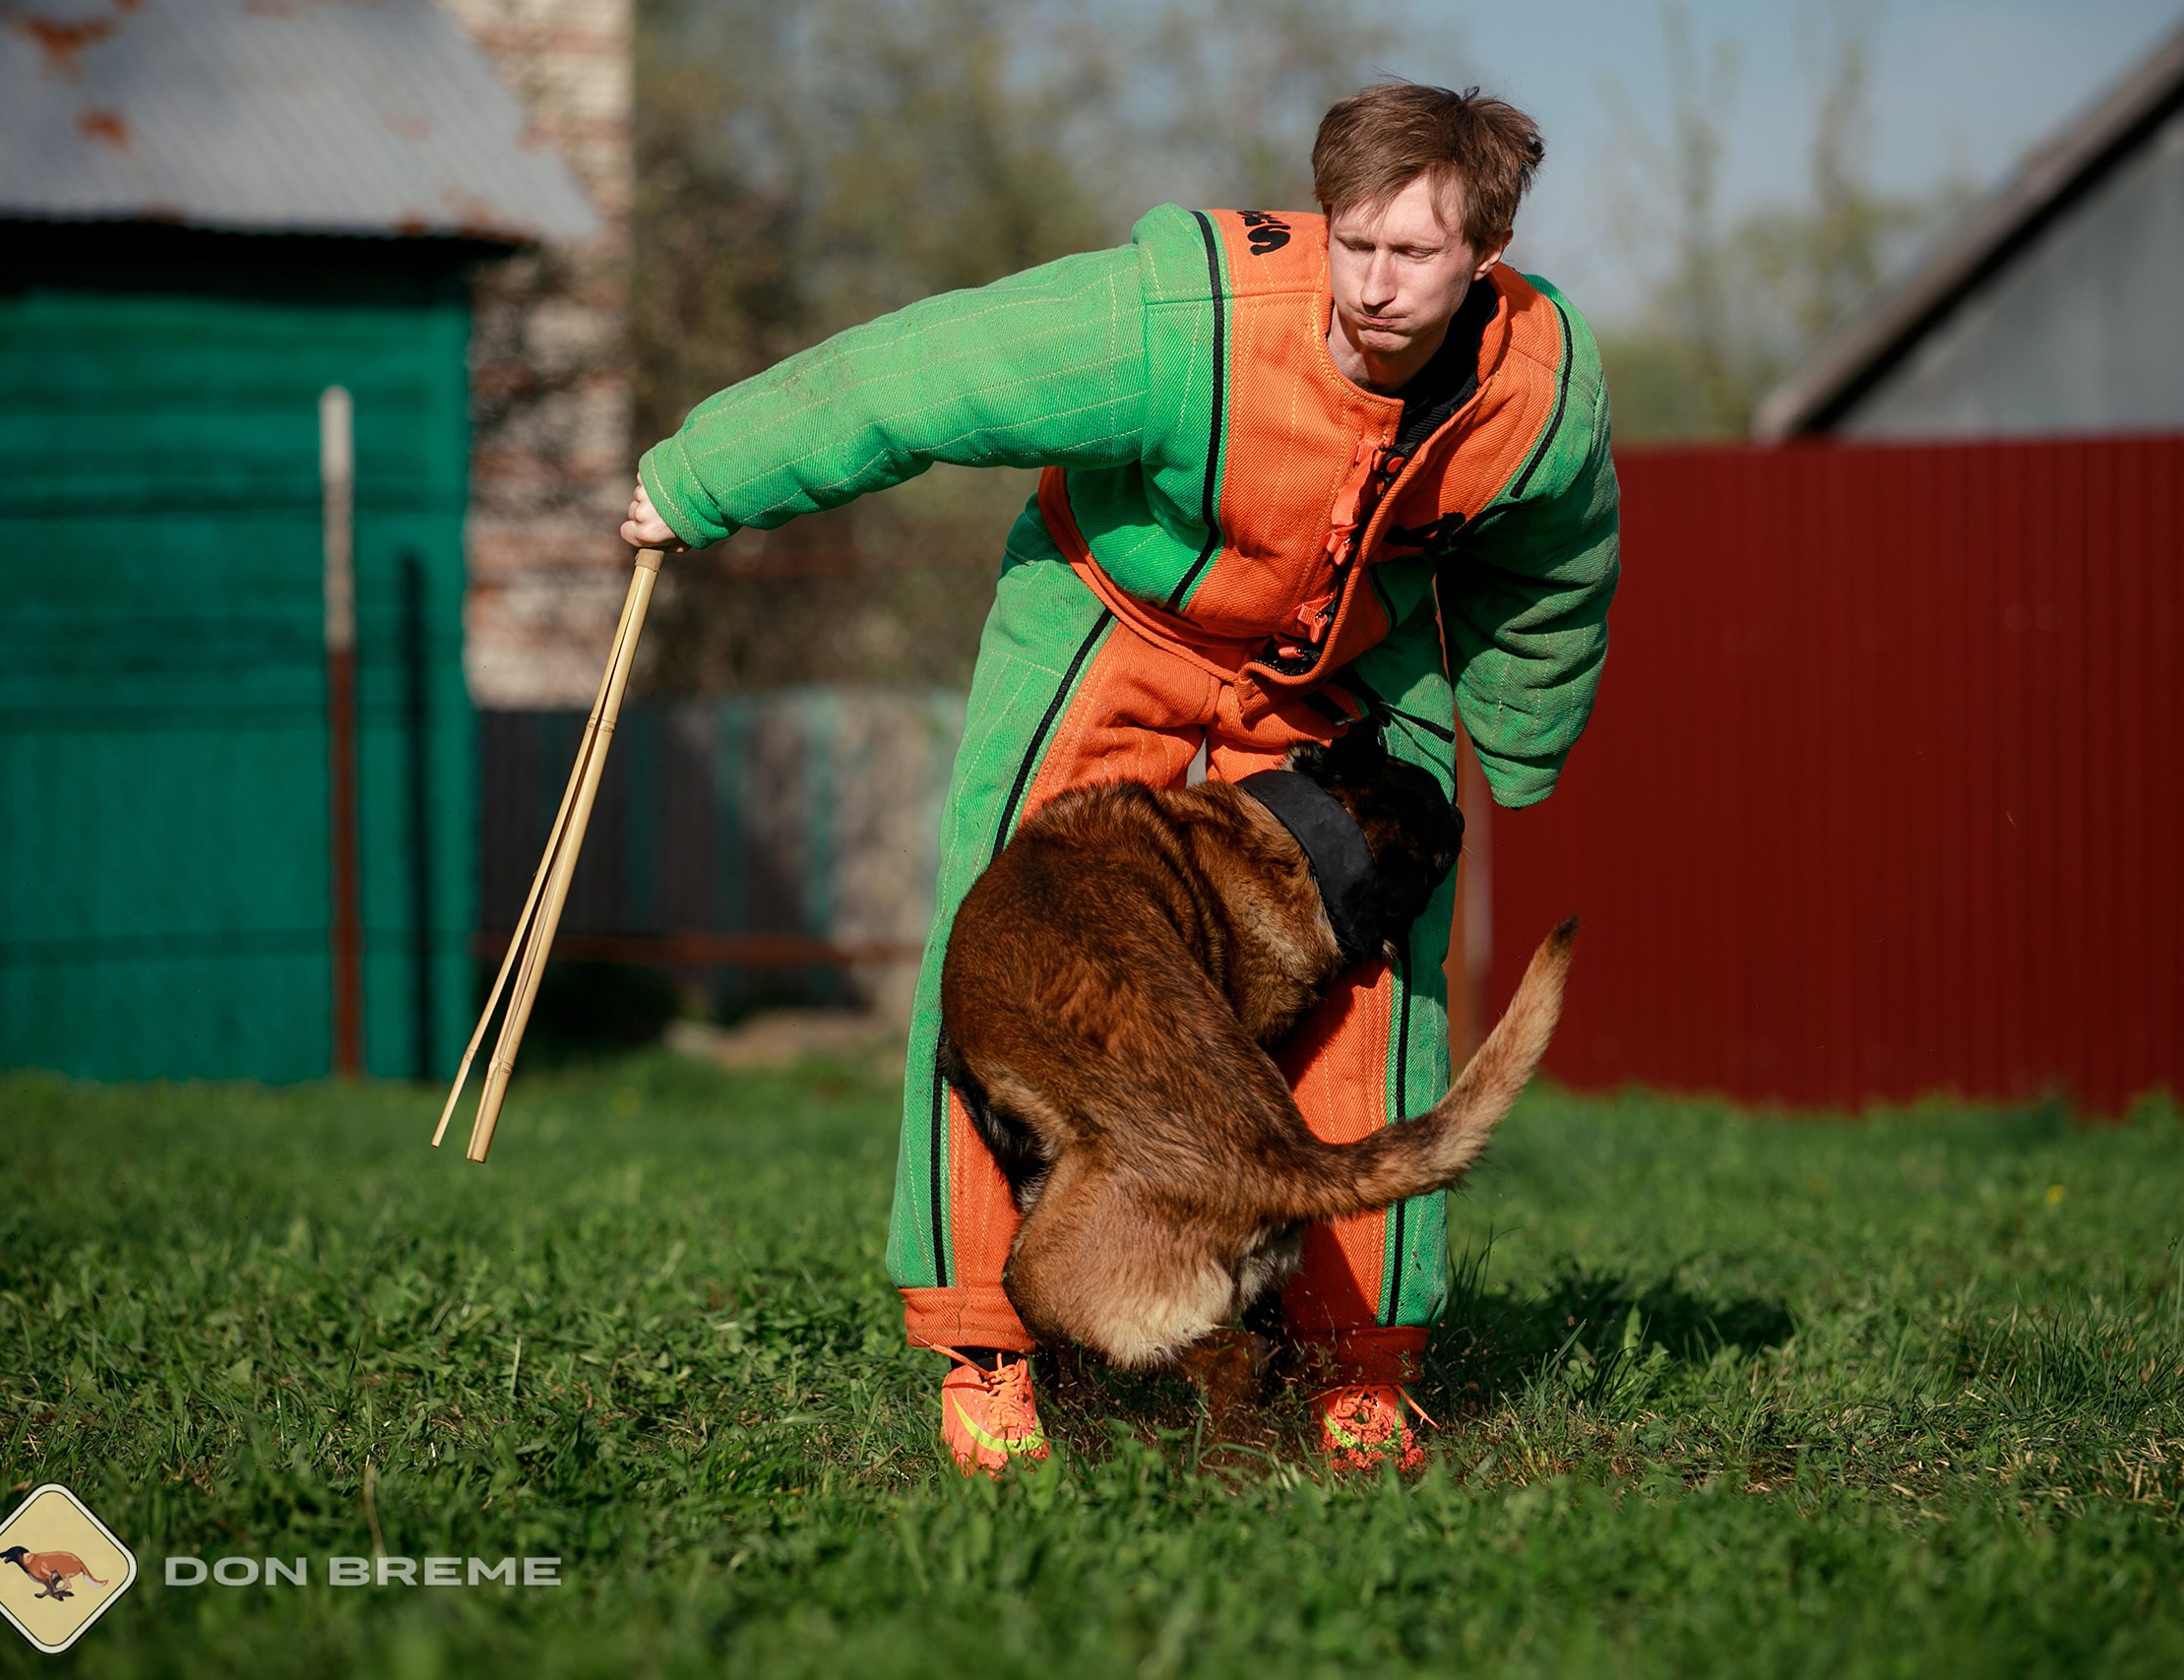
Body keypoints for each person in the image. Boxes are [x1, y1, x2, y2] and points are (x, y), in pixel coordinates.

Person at [622, 83, 1619, 1474]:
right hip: (1117, 616)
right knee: (1007, 949)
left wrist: (1519, 734)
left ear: (1487, 256)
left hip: (1351, 657)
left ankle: (1359, 1359)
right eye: (1356, 244)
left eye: (1417, 256)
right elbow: (930, 372)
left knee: (1384, 985)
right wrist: (702, 478)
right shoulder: (1180, 322)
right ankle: (987, 1346)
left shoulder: (1538, 395)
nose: (1375, 285)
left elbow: (1554, 569)